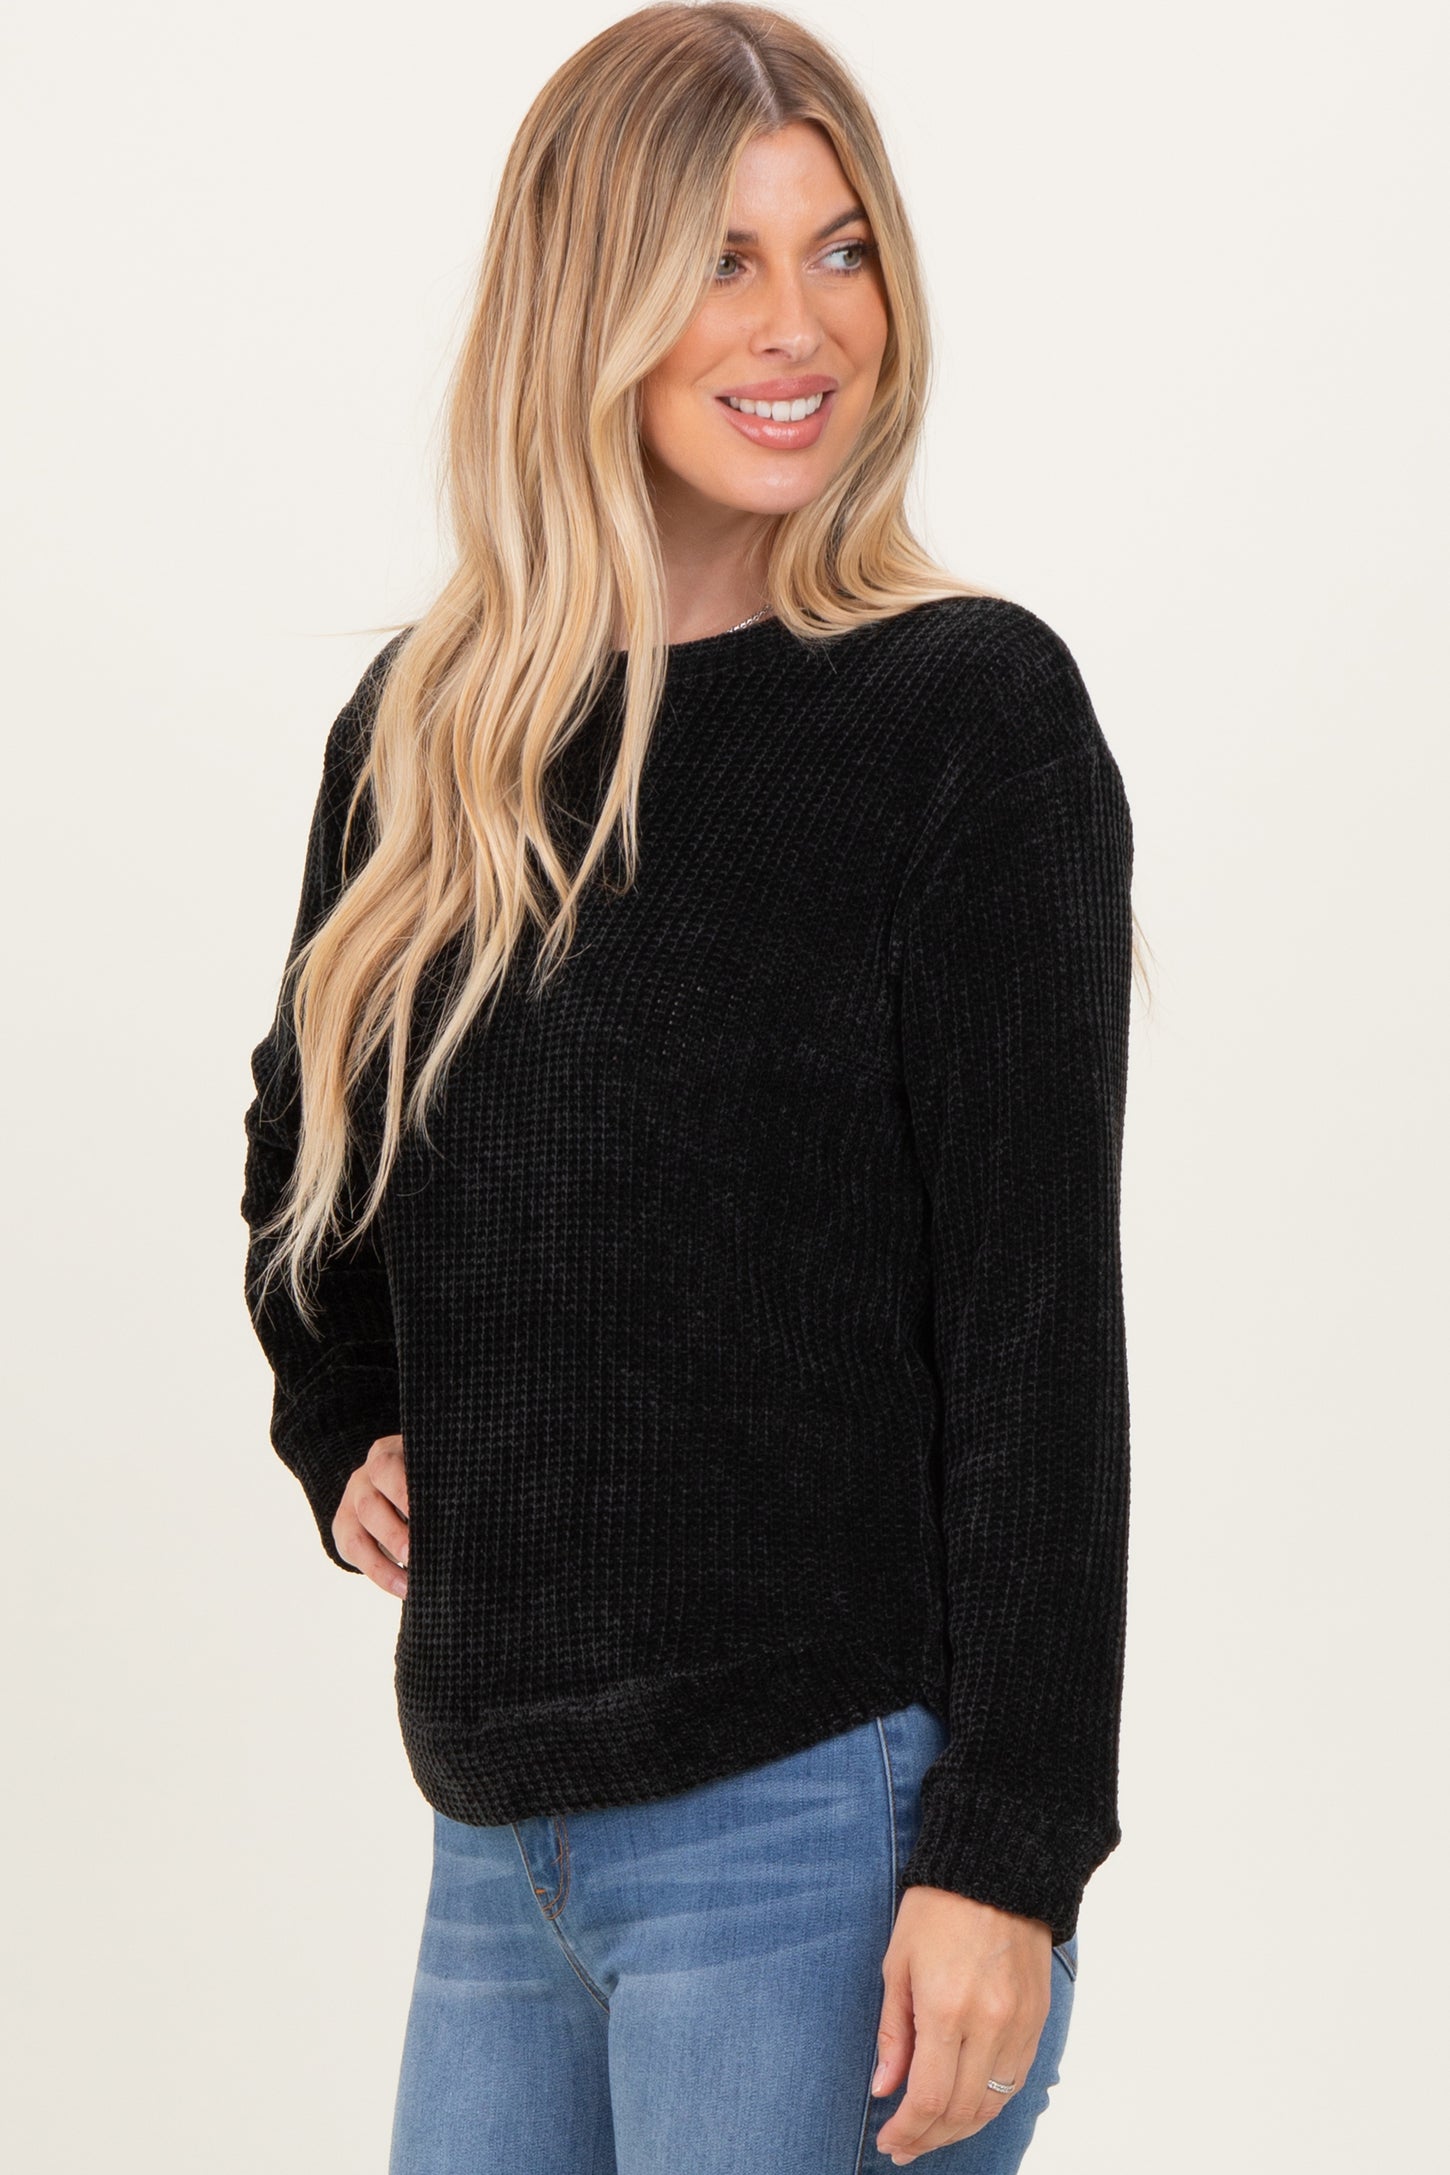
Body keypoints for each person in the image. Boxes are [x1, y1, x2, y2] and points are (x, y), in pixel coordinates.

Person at [240, 6, 1140, 2169]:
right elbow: (306, 1154)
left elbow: (1034, 1330)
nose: (797, 324)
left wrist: (1008, 1853)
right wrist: (341, 1413)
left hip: (815, 1826)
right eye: (719, 260)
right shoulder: (430, 733)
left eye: (839, 250)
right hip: (498, 1841)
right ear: (590, 301)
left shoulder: (961, 716)